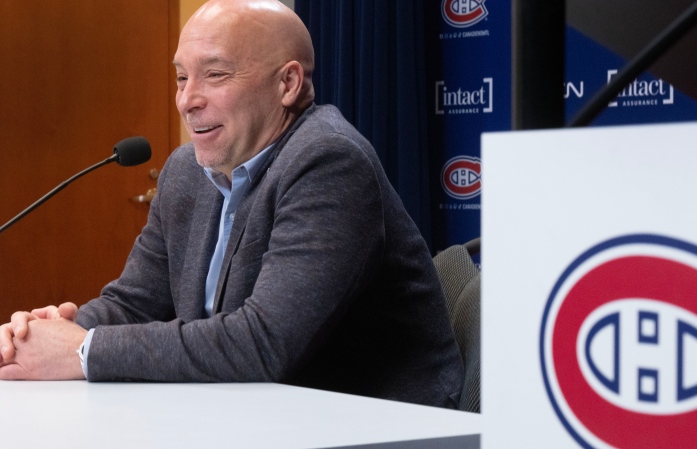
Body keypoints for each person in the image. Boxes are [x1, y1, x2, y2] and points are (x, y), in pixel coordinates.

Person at [0, 0, 464, 409]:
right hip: (246, 413)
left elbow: (264, 342)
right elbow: (135, 302)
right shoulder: (187, 170)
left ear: (287, 84)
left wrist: (85, 350)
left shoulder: (329, 162)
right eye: (182, 77)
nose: (187, 100)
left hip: (373, 421)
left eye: (215, 75)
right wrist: (45, 336)